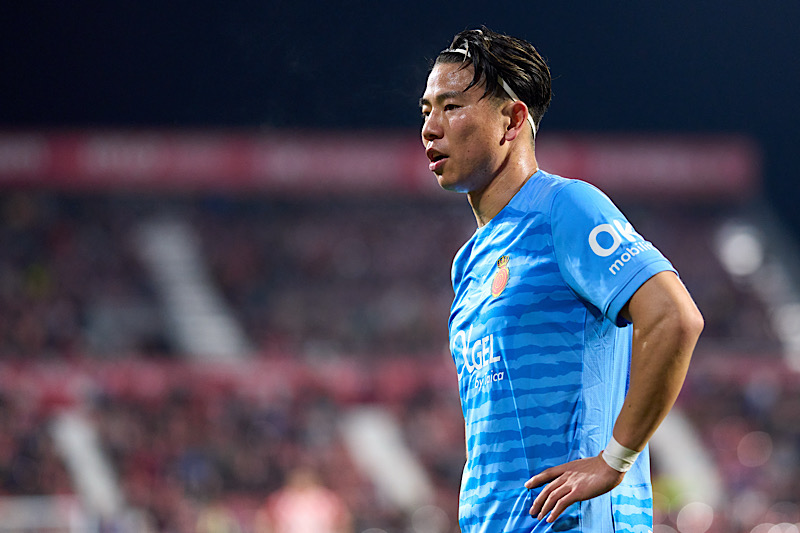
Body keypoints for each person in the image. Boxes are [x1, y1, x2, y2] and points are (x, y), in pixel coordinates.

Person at [420, 27, 704, 533]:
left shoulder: (565, 207)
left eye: (452, 107)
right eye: (426, 111)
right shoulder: (468, 263)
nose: (430, 128)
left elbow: (674, 317)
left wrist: (614, 460)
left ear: (512, 120)